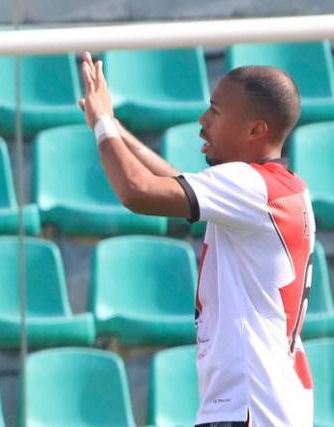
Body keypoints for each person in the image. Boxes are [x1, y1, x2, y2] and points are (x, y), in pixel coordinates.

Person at [77, 51, 314, 427]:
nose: (203, 122)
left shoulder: (249, 185)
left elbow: (137, 191)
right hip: (271, 404)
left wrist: (103, 124)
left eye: (216, 112)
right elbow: (176, 182)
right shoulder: (282, 187)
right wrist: (114, 127)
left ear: (256, 130)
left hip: (250, 407)